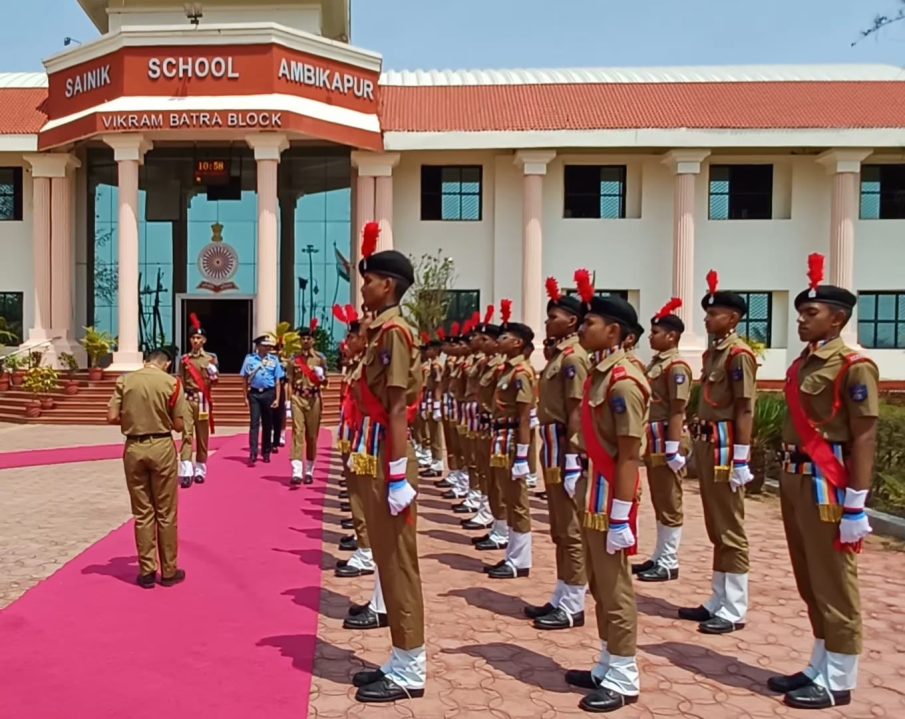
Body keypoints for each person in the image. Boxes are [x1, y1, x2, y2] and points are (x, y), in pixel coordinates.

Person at [768, 254, 877, 710]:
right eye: (800, 313)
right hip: (796, 479)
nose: (801, 320)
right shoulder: (803, 363)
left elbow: (865, 433)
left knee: (834, 582)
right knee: (810, 580)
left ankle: (839, 677)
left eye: (811, 313)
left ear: (838, 317)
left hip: (827, 484)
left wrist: (856, 501)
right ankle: (819, 661)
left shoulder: (854, 365)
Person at [343, 221, 426, 703]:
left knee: (398, 563)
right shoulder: (379, 332)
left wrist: (398, 477)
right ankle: (400, 656)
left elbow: (396, 407)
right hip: (375, 451)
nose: (364, 288)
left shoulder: (395, 333)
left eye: (369, 280)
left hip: (388, 456)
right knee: (387, 560)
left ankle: (411, 667)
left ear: (388, 284)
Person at [565, 269, 649, 713]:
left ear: (614, 331)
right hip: (593, 486)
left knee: (615, 587)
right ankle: (607, 661)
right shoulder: (602, 372)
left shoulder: (623, 380)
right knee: (599, 582)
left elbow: (631, 454)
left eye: (589, 323)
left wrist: (620, 515)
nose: (582, 329)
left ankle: (624, 674)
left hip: (610, 493)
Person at [678, 270, 757, 634]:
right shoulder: (714, 353)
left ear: (734, 318)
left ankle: (735, 606)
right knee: (716, 525)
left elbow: (744, 407)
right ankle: (718, 598)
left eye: (714, 314)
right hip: (709, 444)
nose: (707, 319)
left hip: (726, 447)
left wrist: (741, 455)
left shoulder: (738, 355)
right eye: (708, 314)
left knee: (731, 529)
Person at [526, 276, 590, 630]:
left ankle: (574, 603)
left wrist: (572, 456)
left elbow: (576, 407)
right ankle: (563, 591)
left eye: (555, 316)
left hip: (565, 444)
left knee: (571, 529)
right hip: (552, 444)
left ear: (572, 321)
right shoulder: (561, 355)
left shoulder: (574, 358)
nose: (548, 321)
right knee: (559, 529)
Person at [107, 348, 188, 588]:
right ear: (166, 364)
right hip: (161, 445)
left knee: (142, 512)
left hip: (134, 446)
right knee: (166, 512)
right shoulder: (172, 383)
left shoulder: (125, 380)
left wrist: (134, 419)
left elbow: (111, 416)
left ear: (145, 361)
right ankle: (169, 570)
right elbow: (179, 424)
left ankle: (147, 571)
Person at [634, 298, 692, 583]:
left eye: (656, 332)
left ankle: (669, 560)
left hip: (667, 436)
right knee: (659, 498)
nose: (651, 336)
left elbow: (678, 409)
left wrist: (673, 448)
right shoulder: (657, 363)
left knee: (670, 500)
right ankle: (659, 555)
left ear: (671, 336)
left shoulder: (677, 366)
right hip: (655, 435)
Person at [483, 299, 537, 579]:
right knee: (506, 494)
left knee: (517, 500)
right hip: (501, 435)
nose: (498, 341)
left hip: (514, 437)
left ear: (518, 343)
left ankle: (520, 559)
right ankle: (512, 555)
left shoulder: (522, 372)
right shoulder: (506, 370)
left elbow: (526, 416)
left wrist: (523, 455)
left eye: (505, 337)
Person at [178, 313, 219, 489]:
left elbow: (216, 381)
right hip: (188, 398)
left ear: (204, 340)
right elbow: (180, 379)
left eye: (198, 337)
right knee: (187, 435)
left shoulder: (210, 358)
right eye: (193, 337)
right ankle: (186, 471)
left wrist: (213, 373)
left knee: (202, 437)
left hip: (203, 399)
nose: (195, 340)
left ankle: (200, 470)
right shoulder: (184, 359)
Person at [287, 318, 328, 486]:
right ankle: (296, 471)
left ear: (313, 340)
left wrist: (321, 377)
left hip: (314, 398)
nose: (305, 341)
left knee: (312, 435)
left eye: (308, 338)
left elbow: (325, 383)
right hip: (297, 397)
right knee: (298, 432)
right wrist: (288, 401)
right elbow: (289, 381)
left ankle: (309, 469)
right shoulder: (293, 360)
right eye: (303, 338)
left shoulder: (320, 359)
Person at [240, 335, 285, 466]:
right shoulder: (249, 360)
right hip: (254, 394)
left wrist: (277, 398)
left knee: (267, 423)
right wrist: (244, 397)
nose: (267, 348)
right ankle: (253, 452)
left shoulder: (274, 360)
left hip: (269, 393)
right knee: (254, 423)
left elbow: (277, 381)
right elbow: (244, 379)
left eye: (268, 346)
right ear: (258, 346)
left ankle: (266, 451)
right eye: (264, 346)